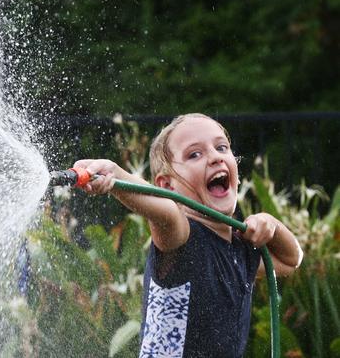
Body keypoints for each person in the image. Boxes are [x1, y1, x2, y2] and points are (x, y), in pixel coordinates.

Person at [73, 113, 302, 357]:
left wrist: (271, 223)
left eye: (221, 147)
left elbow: (291, 260)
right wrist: (115, 173)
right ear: (167, 186)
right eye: (195, 154)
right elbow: (168, 212)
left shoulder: (240, 250)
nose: (215, 157)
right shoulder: (181, 236)